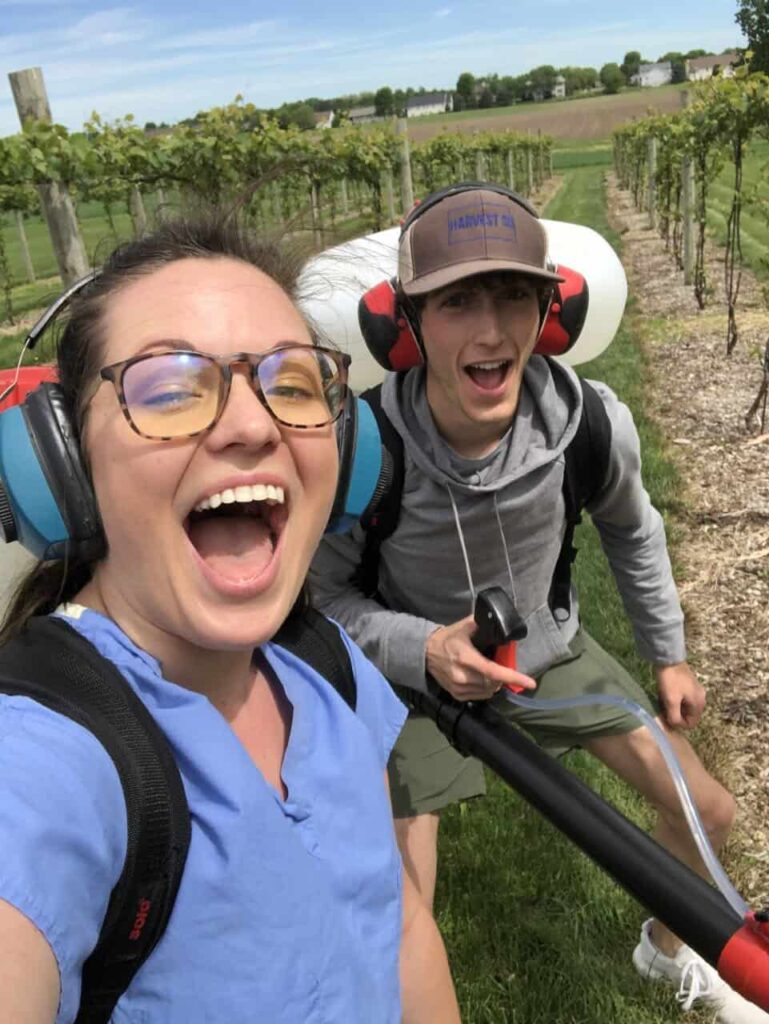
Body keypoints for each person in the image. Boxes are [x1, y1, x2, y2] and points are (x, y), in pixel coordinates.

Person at [309, 183, 767, 1024]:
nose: (490, 330)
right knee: (403, 905)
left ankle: (666, 951)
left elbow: (633, 530)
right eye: (456, 302)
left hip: (547, 656)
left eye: (513, 295)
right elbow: (322, 599)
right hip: (414, 684)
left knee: (707, 808)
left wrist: (666, 652)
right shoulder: (361, 449)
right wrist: (423, 650)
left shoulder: (589, 423)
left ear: (549, 311)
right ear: (405, 322)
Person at [0, 218, 461, 1024]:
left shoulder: (325, 668)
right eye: (169, 387)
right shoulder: (44, 762)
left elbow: (397, 926)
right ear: (63, 463)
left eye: (291, 384)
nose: (253, 425)